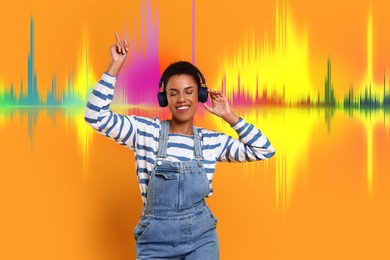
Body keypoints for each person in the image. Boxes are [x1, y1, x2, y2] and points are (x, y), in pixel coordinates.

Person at [84, 33, 275, 259]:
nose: (181, 99)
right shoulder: (145, 132)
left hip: (202, 238)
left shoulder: (211, 141)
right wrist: (115, 66)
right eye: (173, 93)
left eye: (189, 91)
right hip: (155, 242)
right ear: (164, 98)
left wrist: (229, 115)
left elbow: (264, 149)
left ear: (200, 95)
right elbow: (95, 116)